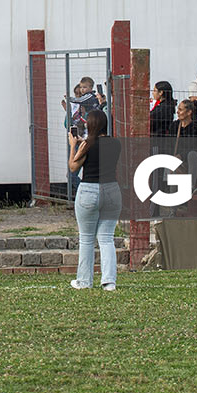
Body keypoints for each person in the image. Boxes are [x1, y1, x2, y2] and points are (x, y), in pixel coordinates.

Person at [68, 109, 120, 290]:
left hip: (89, 190)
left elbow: (73, 166)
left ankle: (84, 281)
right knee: (106, 238)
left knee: (86, 239)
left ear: (90, 125)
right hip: (112, 190)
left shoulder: (87, 144)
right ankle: (109, 282)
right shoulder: (116, 143)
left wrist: (74, 145)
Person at [168, 99, 197, 191]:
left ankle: (191, 187)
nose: (177, 112)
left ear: (189, 112)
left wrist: (181, 155)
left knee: (193, 154)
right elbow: (169, 145)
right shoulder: (174, 126)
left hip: (192, 161)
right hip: (178, 161)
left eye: (180, 109)